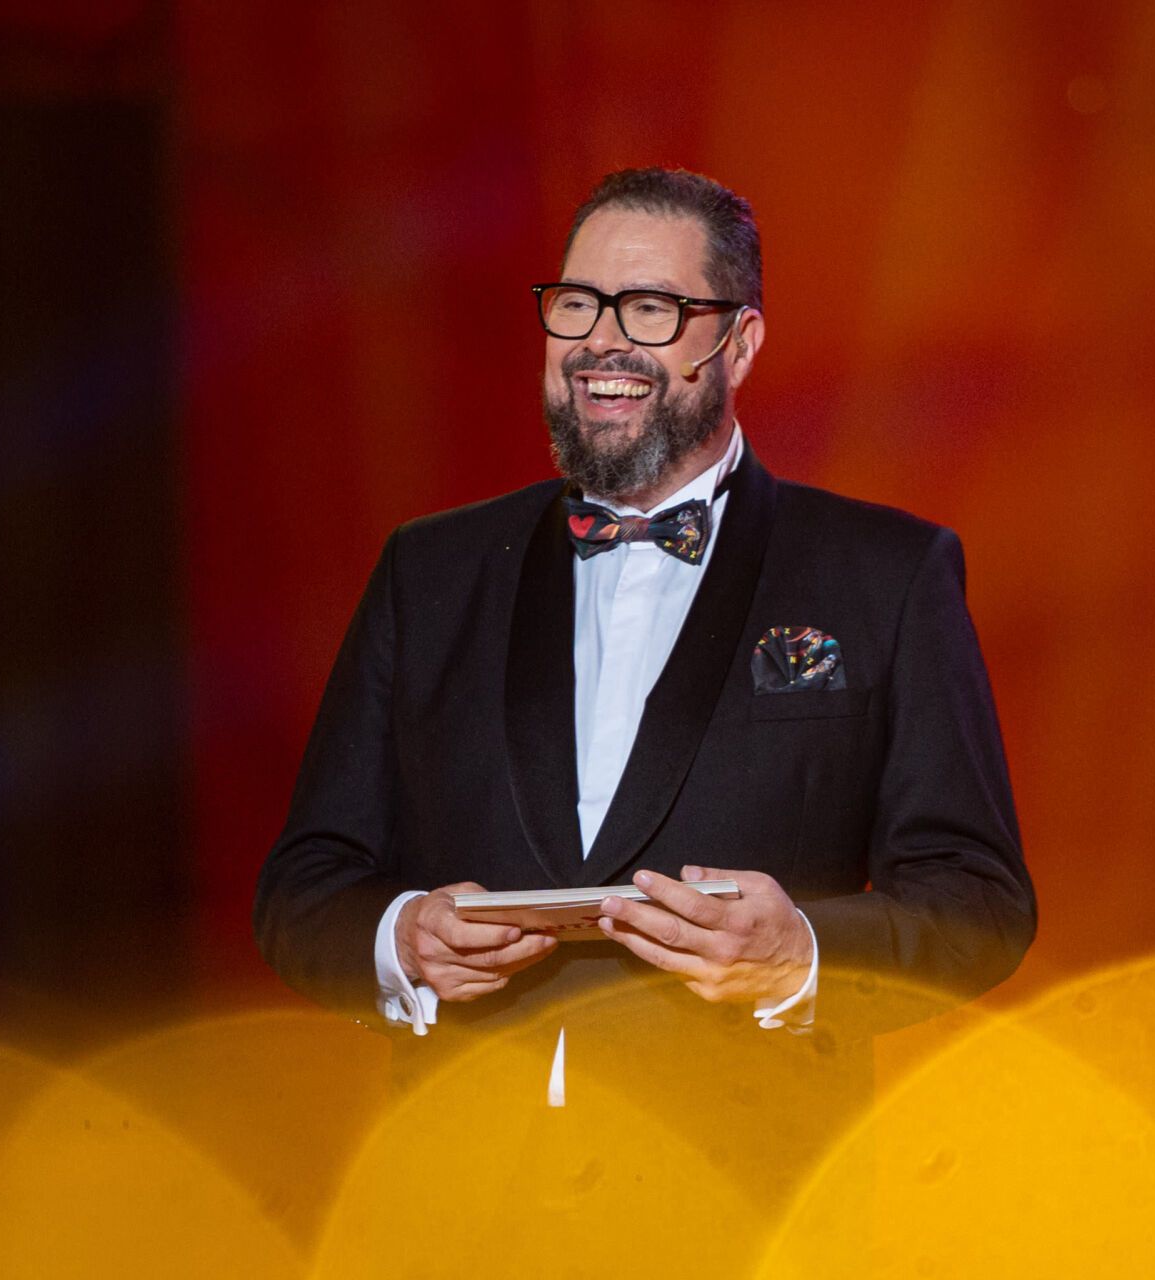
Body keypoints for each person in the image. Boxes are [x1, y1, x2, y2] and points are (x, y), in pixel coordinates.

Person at [255, 167, 1035, 1195]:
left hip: (752, 1213)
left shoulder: (885, 573)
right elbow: (304, 887)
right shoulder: (429, 570)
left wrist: (801, 949)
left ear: (739, 343)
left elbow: (978, 900)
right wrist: (399, 939)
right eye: (577, 304)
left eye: (652, 309)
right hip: (454, 1205)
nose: (601, 342)